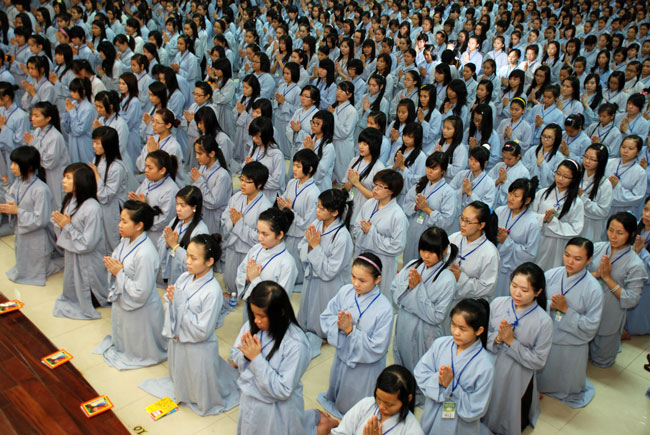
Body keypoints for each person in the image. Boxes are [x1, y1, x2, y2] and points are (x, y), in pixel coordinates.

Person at [139, 234, 240, 416]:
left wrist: (179, 306)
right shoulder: (185, 277)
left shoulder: (212, 291)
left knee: (199, 384)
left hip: (198, 347)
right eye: (187, 256)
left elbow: (203, 330)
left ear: (209, 261)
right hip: (180, 338)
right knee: (181, 376)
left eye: (193, 258)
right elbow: (170, 301)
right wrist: (172, 302)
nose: (187, 262)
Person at [318, 253, 394, 418]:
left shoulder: (385, 309)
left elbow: (378, 348)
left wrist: (350, 331)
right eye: (353, 277)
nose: (356, 284)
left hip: (364, 366)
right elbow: (327, 315)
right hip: (342, 355)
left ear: (377, 280)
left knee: (356, 407)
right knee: (338, 387)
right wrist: (338, 325)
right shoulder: (346, 291)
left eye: (362, 280)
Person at [229, 280, 311, 434]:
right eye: (253, 314)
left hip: (277, 410)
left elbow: (283, 390)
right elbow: (235, 355)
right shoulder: (252, 326)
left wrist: (256, 359)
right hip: (250, 401)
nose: (256, 320)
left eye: (262, 316)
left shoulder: (296, 344)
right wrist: (246, 357)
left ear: (281, 312)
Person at [94, 200, 167, 369]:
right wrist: (114, 267)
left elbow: (140, 292)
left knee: (139, 346)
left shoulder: (145, 253)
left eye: (124, 221)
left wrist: (119, 273)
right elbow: (118, 259)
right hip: (124, 299)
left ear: (139, 226)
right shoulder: (126, 240)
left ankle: (141, 353)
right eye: (120, 220)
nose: (119, 225)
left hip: (140, 307)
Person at [482, 262, 553, 434]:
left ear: (538, 292)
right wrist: (497, 339)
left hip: (518, 374)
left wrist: (511, 342)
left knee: (509, 409)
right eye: (514, 286)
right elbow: (482, 335)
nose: (517, 293)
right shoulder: (498, 303)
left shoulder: (544, 321)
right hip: (490, 364)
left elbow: (539, 360)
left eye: (524, 290)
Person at [392, 227, 458, 405]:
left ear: (444, 251)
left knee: (420, 362)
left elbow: (437, 316)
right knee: (402, 356)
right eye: (423, 250)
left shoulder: (447, 279)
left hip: (424, 330)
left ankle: (420, 394)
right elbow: (394, 290)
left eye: (432, 252)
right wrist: (408, 289)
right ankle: (404, 388)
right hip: (404, 323)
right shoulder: (413, 265)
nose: (426, 256)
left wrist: (417, 290)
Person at [537, 237, 603, 408]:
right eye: (567, 255)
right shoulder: (551, 274)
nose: (570, 262)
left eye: (577, 258)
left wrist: (566, 310)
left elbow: (591, 326)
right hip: (547, 334)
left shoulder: (593, 289)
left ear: (589, 260)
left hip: (571, 342)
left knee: (565, 383)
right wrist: (550, 305)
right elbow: (535, 302)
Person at [414, 298, 494, 435]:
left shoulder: (485, 365)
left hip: (461, 424)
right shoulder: (441, 344)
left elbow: (477, 407)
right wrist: (439, 380)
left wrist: (451, 387)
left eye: (462, 329)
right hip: (433, 411)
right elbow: (420, 372)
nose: (456, 332)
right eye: (453, 325)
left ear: (479, 330)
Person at [298, 188, 354, 357]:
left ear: (335, 212)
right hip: (312, 276)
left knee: (323, 309)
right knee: (309, 306)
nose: (317, 211)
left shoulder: (342, 237)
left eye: (322, 209)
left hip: (329, 284)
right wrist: (310, 247)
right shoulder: (317, 223)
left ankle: (324, 333)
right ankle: (309, 328)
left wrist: (315, 247)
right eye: (318, 206)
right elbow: (302, 245)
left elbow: (330, 270)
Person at [589, 212, 646, 368]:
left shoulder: (635, 264)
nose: (613, 236)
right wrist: (596, 274)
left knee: (602, 360)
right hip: (588, 306)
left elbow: (631, 299)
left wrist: (607, 278)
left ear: (631, 234)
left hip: (610, 311)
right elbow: (579, 273)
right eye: (611, 230)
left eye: (620, 233)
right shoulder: (597, 248)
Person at [52, 163, 109, 320]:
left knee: (88, 293)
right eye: (64, 177)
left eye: (68, 178)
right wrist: (60, 224)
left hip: (88, 259)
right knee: (72, 286)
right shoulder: (70, 199)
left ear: (81, 181)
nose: (63, 181)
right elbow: (64, 229)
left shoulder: (92, 207)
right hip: (73, 253)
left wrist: (67, 226)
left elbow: (87, 243)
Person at [352, 169, 408, 300]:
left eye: (381, 186)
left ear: (391, 191)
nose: (375, 189)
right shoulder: (369, 203)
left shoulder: (398, 215)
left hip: (383, 260)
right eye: (375, 185)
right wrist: (363, 232)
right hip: (363, 254)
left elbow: (397, 246)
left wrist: (371, 233)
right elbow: (356, 227)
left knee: (378, 296)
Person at [0, 145, 53, 285]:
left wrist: (17, 211)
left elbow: (41, 220)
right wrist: (9, 206)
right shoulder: (18, 182)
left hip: (36, 236)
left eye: (15, 164)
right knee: (22, 263)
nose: (11, 167)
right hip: (22, 231)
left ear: (28, 166)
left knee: (36, 270)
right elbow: (10, 195)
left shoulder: (41, 189)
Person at [326, 365, 424, 435]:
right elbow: (340, 432)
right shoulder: (366, 404)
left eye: (389, 404)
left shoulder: (412, 430)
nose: (381, 407)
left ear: (408, 399)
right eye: (378, 399)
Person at [221, 162, 271, 297]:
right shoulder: (236, 197)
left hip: (248, 251)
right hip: (232, 246)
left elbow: (260, 237)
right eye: (241, 179)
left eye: (247, 182)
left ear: (259, 185)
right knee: (230, 278)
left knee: (245, 282)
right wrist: (232, 223)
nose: (242, 184)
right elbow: (224, 218)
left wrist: (238, 224)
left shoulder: (265, 206)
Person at [447, 202, 500, 329]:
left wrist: (460, 278)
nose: (462, 224)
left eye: (468, 221)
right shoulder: (454, 238)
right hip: (448, 298)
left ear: (481, 225)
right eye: (462, 219)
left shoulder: (490, 253)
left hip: (470, 308)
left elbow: (487, 287)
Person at [236, 207, 298, 305]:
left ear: (280, 235)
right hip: (249, 304)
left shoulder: (287, 264)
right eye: (258, 231)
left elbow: (280, 299)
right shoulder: (256, 249)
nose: (259, 238)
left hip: (268, 312)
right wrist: (247, 278)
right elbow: (241, 271)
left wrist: (255, 280)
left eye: (265, 234)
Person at [403, 152, 457, 263]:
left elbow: (447, 221)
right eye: (428, 167)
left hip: (431, 236)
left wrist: (426, 209)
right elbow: (406, 203)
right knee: (409, 263)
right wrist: (416, 207)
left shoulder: (448, 192)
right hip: (414, 230)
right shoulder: (420, 184)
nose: (429, 171)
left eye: (434, 169)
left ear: (443, 171)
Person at [532, 159, 585, 271]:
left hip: (559, 244)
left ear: (573, 179)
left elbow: (576, 229)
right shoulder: (542, 193)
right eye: (558, 174)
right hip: (539, 239)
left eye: (566, 176)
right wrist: (543, 218)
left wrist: (553, 221)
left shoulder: (576, 203)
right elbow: (530, 215)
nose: (560, 179)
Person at [277, 149, 320, 285]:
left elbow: (307, 223)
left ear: (310, 169)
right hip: (288, 231)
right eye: (294, 165)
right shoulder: (292, 183)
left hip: (300, 236)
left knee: (297, 268)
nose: (294, 169)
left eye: (298, 166)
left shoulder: (313, 193)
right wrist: (283, 206)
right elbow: (283, 201)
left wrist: (290, 211)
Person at [88, 126, 130, 252]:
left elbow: (105, 196)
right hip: (100, 207)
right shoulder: (98, 159)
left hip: (112, 208)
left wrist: (96, 175)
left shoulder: (116, 167)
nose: (94, 146)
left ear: (108, 144)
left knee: (113, 241)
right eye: (93, 142)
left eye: (97, 143)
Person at [157, 186, 209, 287]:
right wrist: (167, 243)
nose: (178, 209)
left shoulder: (200, 230)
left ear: (194, 207)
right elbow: (160, 241)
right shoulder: (176, 221)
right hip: (172, 275)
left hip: (188, 280)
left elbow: (197, 261)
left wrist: (175, 246)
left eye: (183, 205)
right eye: (177, 204)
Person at [129, 150, 180, 246]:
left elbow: (162, 221)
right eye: (146, 166)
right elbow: (139, 197)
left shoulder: (170, 190)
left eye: (150, 168)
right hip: (142, 229)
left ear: (162, 170)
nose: (146, 170)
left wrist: (144, 207)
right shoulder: (148, 181)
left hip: (157, 236)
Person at [190, 134, 231, 235]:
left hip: (214, 219)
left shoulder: (222, 175)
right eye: (196, 153)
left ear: (212, 153)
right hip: (202, 214)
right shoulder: (203, 167)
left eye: (200, 153)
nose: (197, 157)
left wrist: (199, 181)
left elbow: (214, 202)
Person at [579, 144, 613, 242]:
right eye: (586, 157)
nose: (587, 161)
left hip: (590, 226)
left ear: (601, 162)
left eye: (592, 159)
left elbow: (603, 211)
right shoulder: (577, 175)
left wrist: (583, 199)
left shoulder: (604, 184)